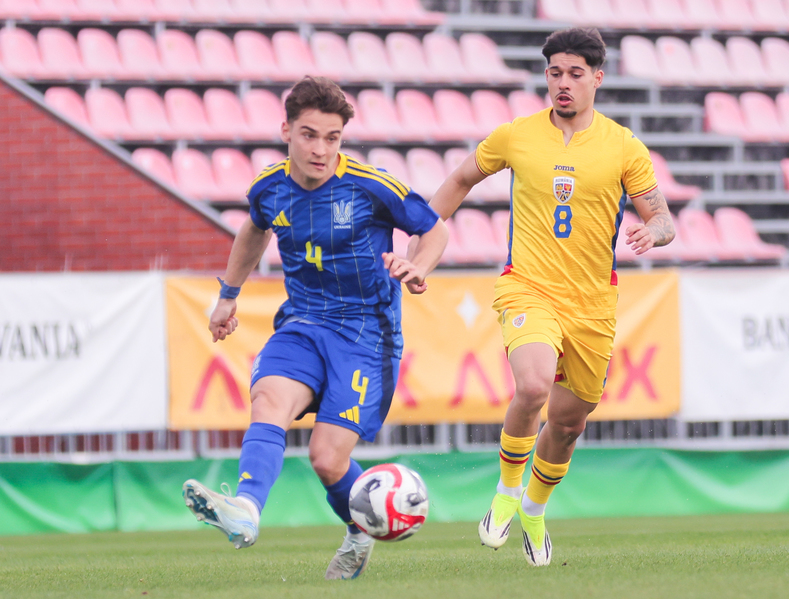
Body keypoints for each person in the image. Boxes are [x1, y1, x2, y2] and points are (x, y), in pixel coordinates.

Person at [182, 76, 448, 581]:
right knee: (268, 401)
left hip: (367, 337)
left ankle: (358, 531)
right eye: (308, 135)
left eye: (332, 138)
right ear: (285, 130)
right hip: (303, 323)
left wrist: (420, 267)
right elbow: (254, 230)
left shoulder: (372, 186)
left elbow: (433, 228)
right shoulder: (268, 187)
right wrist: (228, 296)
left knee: (327, 460)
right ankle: (246, 508)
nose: (320, 149)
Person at [427, 27, 675, 567]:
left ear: (597, 79)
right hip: (528, 286)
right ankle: (507, 492)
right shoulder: (516, 135)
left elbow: (663, 217)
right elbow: (461, 178)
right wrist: (419, 229)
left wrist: (653, 231)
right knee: (534, 384)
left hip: (592, 304)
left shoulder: (623, 146)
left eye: (575, 74)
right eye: (554, 73)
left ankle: (535, 512)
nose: (563, 84)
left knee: (567, 425)